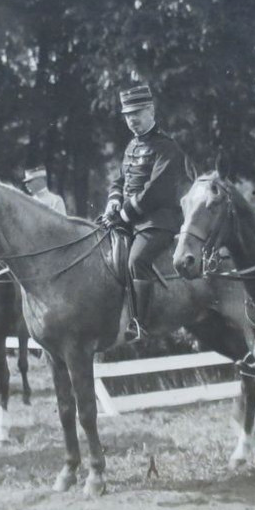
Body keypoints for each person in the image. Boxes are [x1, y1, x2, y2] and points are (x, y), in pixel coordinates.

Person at [103, 83, 194, 341]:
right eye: (128, 115)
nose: (133, 120)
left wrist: (123, 215)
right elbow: (120, 180)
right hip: (130, 219)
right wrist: (113, 201)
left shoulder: (167, 147)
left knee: (137, 260)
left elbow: (156, 191)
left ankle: (140, 323)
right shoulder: (131, 146)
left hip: (158, 221)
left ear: (151, 110)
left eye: (138, 113)